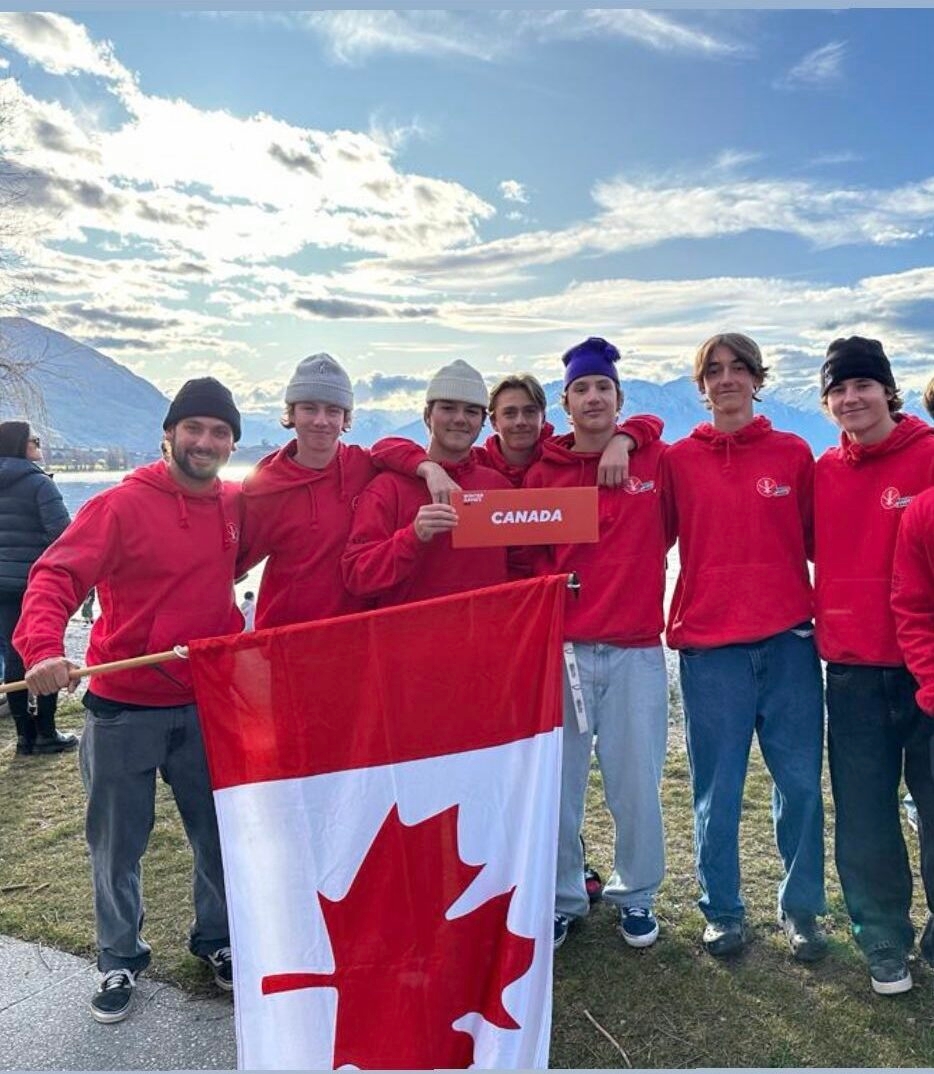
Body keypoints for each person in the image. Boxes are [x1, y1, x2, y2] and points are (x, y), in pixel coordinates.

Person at [16, 377, 243, 1024]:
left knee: (218, 834)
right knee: (117, 846)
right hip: (122, 707)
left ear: (232, 444)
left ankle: (218, 940)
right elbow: (56, 575)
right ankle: (119, 957)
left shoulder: (235, 504)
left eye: (219, 432)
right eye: (193, 428)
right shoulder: (119, 506)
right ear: (168, 434)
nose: (205, 441)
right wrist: (42, 650)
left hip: (206, 702)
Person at [661, 333, 827, 961]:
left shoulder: (793, 454)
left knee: (801, 787)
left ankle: (802, 911)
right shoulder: (678, 461)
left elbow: (823, 543)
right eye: (714, 370)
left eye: (738, 368)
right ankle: (723, 911)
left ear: (758, 379)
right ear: (701, 385)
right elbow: (645, 539)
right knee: (717, 790)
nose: (726, 379)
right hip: (711, 651)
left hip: (788, 643)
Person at [523, 338, 669, 950]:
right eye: (581, 389)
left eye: (603, 387)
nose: (592, 398)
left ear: (618, 397)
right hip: (565, 651)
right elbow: (529, 558)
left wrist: (629, 438)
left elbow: (659, 433)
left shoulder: (654, 461)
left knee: (636, 782)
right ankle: (563, 897)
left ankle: (636, 894)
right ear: (565, 403)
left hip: (636, 647)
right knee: (560, 786)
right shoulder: (543, 473)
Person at [816, 338, 934, 995]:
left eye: (863, 384)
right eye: (838, 389)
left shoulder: (929, 455)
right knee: (865, 815)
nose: (851, 398)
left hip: (927, 668)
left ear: (888, 390)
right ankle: (884, 938)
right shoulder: (824, 472)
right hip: (854, 670)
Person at [237, 353, 449, 629]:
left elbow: (389, 448)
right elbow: (233, 563)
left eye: (333, 411)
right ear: (292, 413)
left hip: (354, 634)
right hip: (286, 635)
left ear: (346, 418)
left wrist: (430, 468)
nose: (321, 420)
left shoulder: (363, 465)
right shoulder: (264, 486)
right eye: (309, 408)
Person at [342, 359, 513, 606]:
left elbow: (520, 567)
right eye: (448, 408)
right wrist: (413, 536)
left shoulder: (497, 486)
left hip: (485, 629)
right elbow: (357, 577)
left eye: (471, 411)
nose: (460, 419)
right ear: (427, 416)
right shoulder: (388, 488)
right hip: (410, 630)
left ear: (482, 422)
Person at [0, 420, 76, 755]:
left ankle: (23, 736)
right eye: (35, 440)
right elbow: (64, 536)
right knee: (46, 651)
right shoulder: (39, 484)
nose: (39, 445)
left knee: (13, 655)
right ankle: (46, 731)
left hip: (1, 586)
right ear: (22, 445)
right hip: (36, 584)